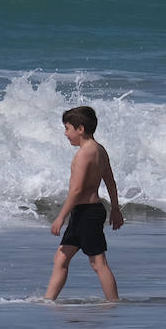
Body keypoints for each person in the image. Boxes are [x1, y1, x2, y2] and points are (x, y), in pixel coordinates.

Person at [45, 105, 124, 301]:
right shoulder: (100, 150)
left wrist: (61, 217)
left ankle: (113, 303)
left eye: (67, 128)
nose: (65, 134)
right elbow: (110, 182)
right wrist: (115, 208)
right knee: (61, 258)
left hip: (87, 213)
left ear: (80, 129)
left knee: (98, 262)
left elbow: (77, 190)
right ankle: (48, 301)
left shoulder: (84, 154)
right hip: (87, 212)